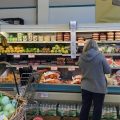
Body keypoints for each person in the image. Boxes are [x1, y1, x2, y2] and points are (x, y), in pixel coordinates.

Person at [77, 39, 111, 120]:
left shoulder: (81, 56)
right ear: (96, 46)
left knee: (85, 108)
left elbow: (80, 68)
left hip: (85, 86)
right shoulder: (100, 56)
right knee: (97, 109)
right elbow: (108, 70)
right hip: (98, 87)